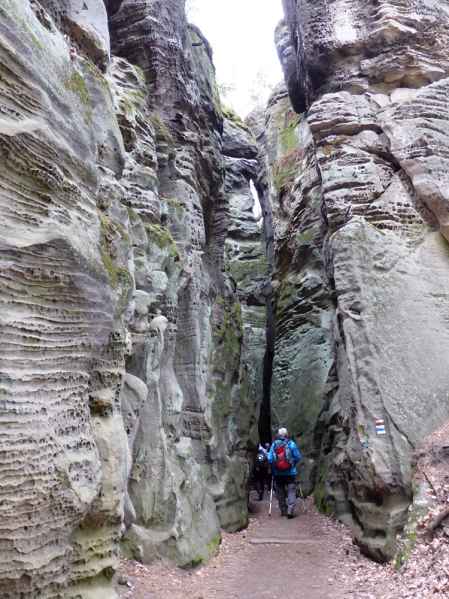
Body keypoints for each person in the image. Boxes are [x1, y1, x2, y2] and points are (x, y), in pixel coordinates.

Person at [268, 427, 302, 518]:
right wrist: (293, 463)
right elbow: (298, 457)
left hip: (278, 473)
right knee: (291, 491)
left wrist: (274, 466)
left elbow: (270, 458)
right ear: (287, 435)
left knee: (280, 492)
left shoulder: (274, 445)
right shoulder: (291, 444)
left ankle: (283, 510)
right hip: (290, 473)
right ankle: (290, 510)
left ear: (278, 435)